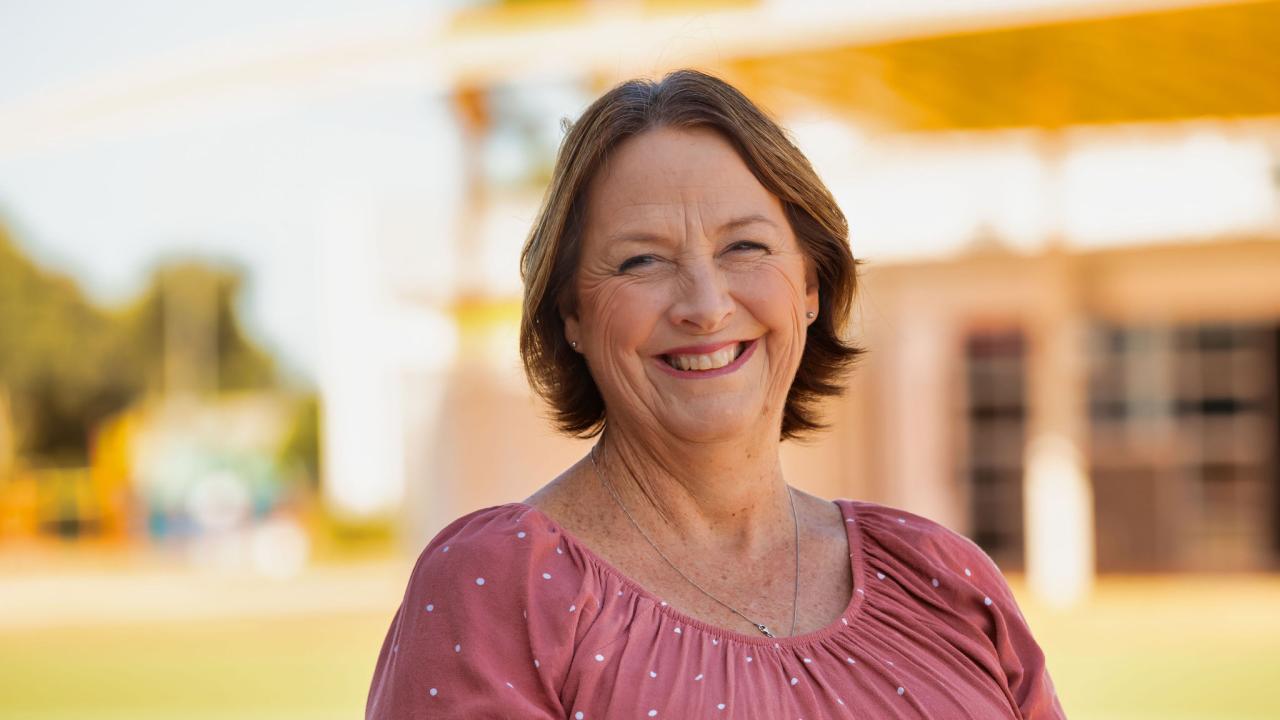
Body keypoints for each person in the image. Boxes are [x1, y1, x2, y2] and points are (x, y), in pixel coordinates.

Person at [366, 69, 1066, 719]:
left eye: (746, 248)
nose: (704, 306)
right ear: (571, 314)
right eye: (642, 260)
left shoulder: (943, 577)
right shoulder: (499, 589)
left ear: (812, 285)